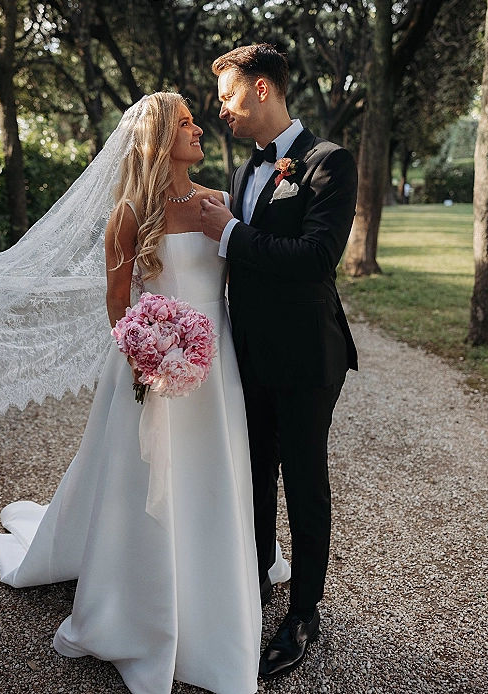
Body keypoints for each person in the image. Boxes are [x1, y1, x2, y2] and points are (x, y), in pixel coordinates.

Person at [0, 92, 290, 694]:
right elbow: (117, 304)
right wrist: (150, 351)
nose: (199, 128)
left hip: (215, 365)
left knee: (210, 474)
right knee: (142, 482)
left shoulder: (218, 204)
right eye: (184, 124)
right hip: (151, 370)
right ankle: (138, 600)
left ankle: (213, 583)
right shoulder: (128, 215)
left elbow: (245, 281)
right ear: (157, 140)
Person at [200, 45, 358, 681]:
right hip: (249, 353)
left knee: (303, 482)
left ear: (262, 89)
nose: (224, 111)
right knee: (254, 474)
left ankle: (302, 615)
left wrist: (231, 233)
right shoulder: (244, 172)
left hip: (306, 354)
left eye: (229, 97)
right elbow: (234, 250)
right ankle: (256, 586)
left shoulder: (329, 163)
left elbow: (315, 257)